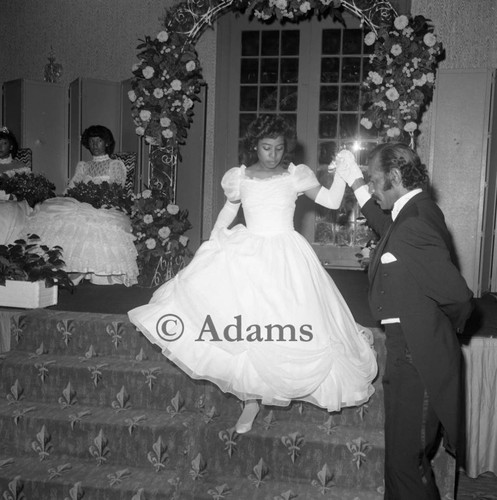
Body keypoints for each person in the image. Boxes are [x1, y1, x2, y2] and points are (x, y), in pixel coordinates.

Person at [128, 114, 378, 434]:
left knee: (288, 319)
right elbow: (231, 208)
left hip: (286, 253)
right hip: (248, 251)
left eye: (278, 148)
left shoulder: (295, 176)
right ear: (254, 147)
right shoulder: (240, 177)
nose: (272, 155)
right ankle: (250, 400)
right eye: (265, 148)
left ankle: (277, 385)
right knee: (247, 323)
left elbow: (330, 200)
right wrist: (215, 239)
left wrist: (344, 173)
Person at [335, 143, 473, 500]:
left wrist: (437, 333)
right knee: (401, 461)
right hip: (407, 349)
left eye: (375, 180)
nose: (374, 186)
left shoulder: (414, 222)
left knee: (405, 462)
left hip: (417, 355)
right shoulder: (413, 212)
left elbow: (459, 298)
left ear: (394, 177)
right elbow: (388, 229)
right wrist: (356, 184)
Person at [23, 125, 139, 286]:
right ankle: (66, 268)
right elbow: (71, 188)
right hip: (81, 204)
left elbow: (117, 189)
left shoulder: (115, 164)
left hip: (106, 205)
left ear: (107, 143)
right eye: (91, 142)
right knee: (60, 214)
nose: (95, 145)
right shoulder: (83, 165)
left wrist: (98, 199)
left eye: (99, 141)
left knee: (91, 220)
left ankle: (97, 271)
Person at [0, 127, 32, 244]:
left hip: (14, 201)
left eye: (4, 143)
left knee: (10, 213)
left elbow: (26, 187)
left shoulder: (20, 166)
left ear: (11, 146)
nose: (0, 147)